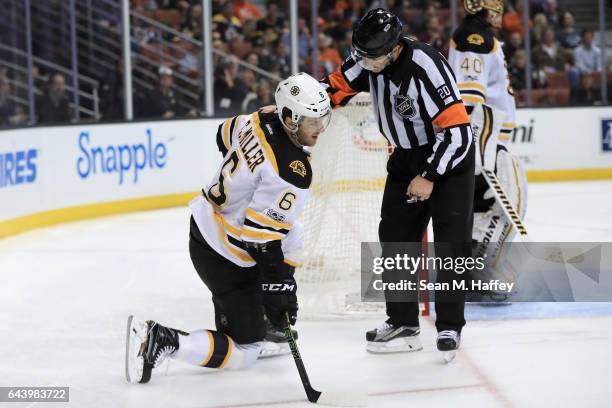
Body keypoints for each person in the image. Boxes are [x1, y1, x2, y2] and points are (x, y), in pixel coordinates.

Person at [125, 73, 332, 383]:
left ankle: (268, 322)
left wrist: (244, 181)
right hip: (225, 255)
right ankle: (165, 339)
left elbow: (223, 135)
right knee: (246, 349)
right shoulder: (291, 171)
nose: (320, 127)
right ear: (290, 118)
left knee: (295, 233)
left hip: (204, 223)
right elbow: (259, 239)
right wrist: (277, 289)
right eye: (312, 121)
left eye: (322, 118)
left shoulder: (263, 116)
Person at [321, 8, 475, 355]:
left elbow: (458, 132)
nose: (364, 63)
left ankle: (450, 326)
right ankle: (404, 323)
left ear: (393, 48)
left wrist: (430, 175)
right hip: (406, 158)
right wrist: (297, 106)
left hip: (448, 160)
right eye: (361, 55)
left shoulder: (425, 65)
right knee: (394, 238)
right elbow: (333, 88)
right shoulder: (368, 59)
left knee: (451, 247)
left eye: (371, 57)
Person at [448, 0, 528, 301]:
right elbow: (470, 99)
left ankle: (471, 273)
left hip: (489, 140)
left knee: (483, 208)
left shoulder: (479, 35)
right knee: (508, 202)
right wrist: (472, 148)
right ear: (486, 9)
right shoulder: (474, 37)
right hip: (483, 140)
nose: (501, 14)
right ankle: (479, 273)